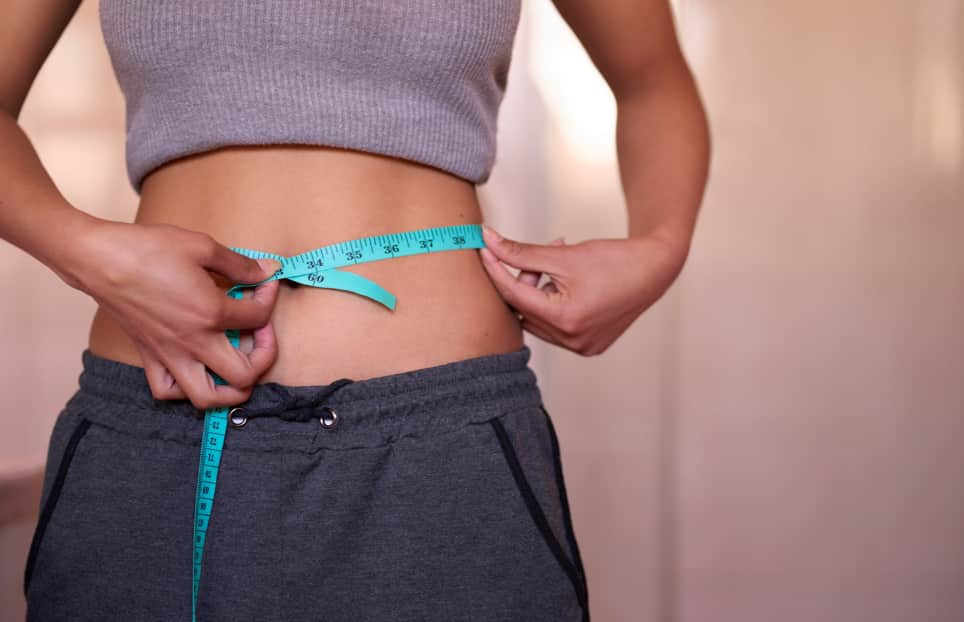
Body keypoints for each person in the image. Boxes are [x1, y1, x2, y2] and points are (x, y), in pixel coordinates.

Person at [1, 1, 709, 620]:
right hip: (152, 442)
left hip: (445, 453)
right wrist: (90, 254)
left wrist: (661, 245)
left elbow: (652, 80)